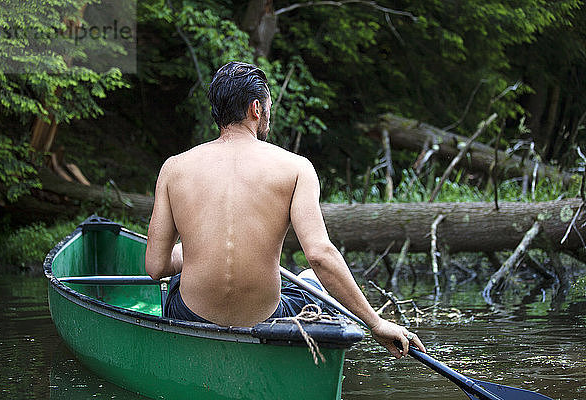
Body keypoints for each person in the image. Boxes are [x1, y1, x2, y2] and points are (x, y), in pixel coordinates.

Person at [145, 61, 426, 358]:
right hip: (265, 320)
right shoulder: (295, 168)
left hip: (191, 317)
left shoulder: (174, 168)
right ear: (257, 108)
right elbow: (319, 255)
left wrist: (191, 254)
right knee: (311, 280)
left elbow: (155, 267)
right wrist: (376, 323)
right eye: (268, 105)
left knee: (175, 282)